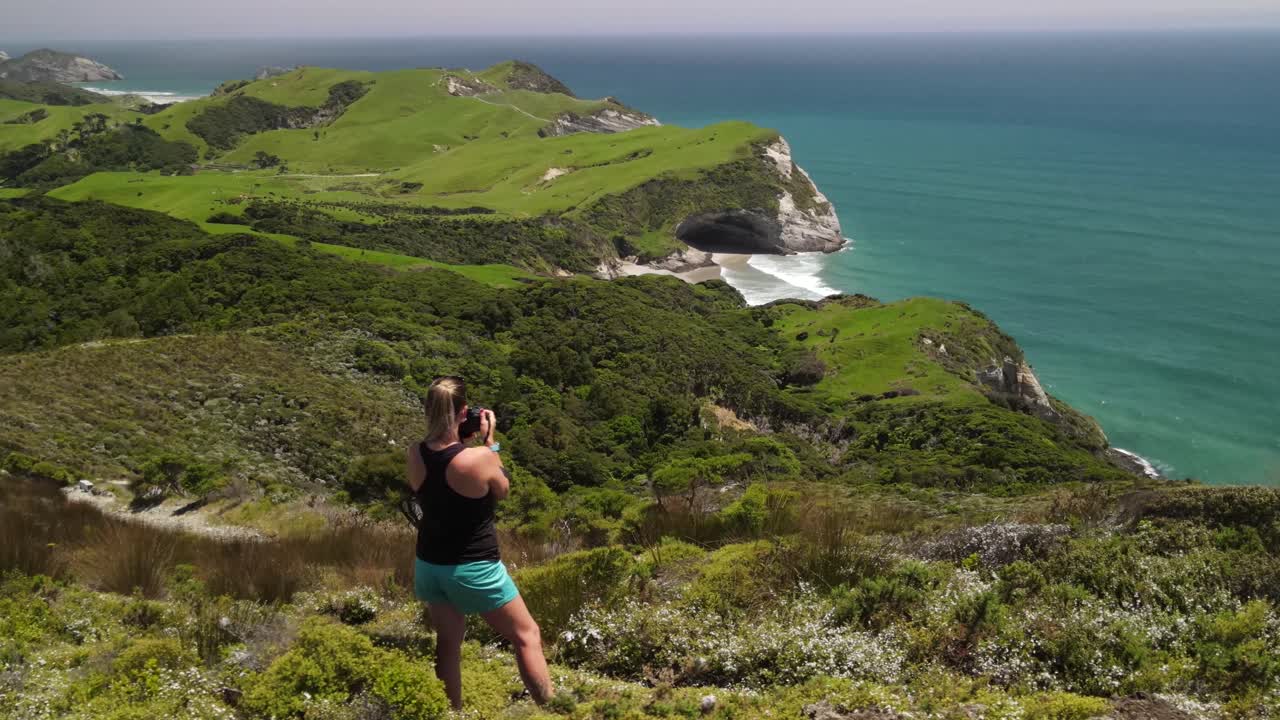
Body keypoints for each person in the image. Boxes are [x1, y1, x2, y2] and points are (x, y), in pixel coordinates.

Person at [406, 376, 552, 710]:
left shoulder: (414, 452)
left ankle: (452, 713)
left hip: (429, 564)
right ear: (463, 412)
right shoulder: (477, 458)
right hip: (472, 564)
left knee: (448, 644)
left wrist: (461, 441)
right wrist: (490, 443)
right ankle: (553, 710)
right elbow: (502, 489)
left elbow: (433, 489)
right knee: (527, 635)